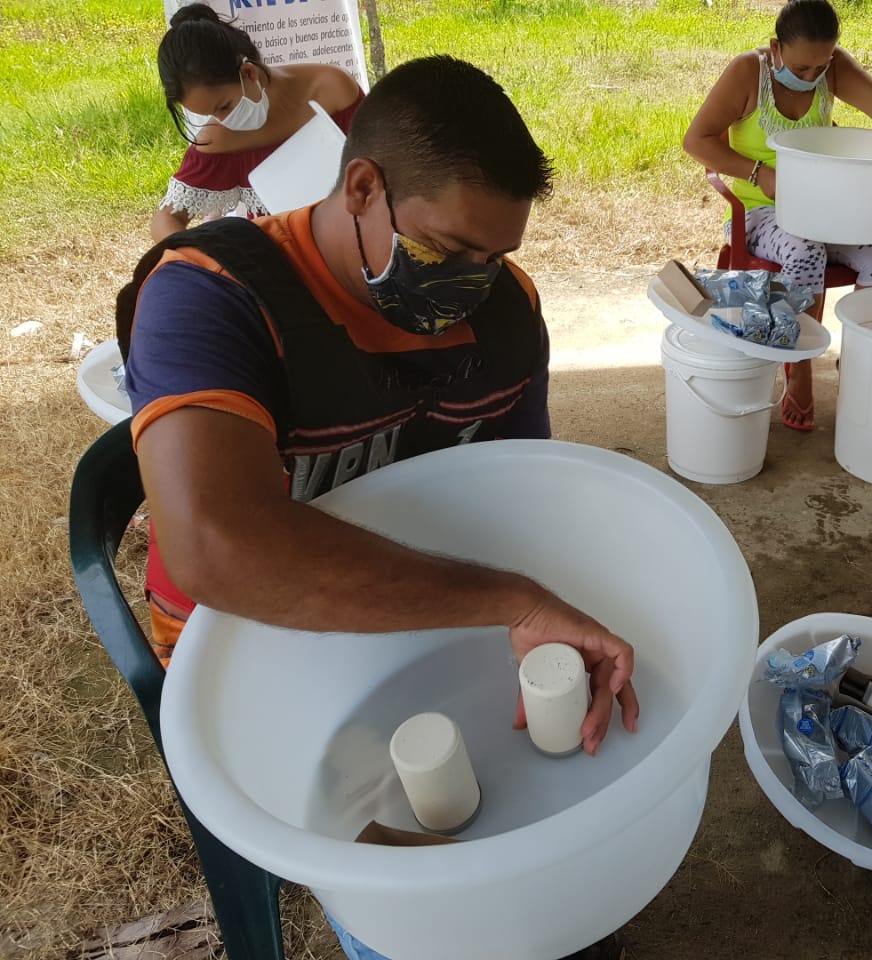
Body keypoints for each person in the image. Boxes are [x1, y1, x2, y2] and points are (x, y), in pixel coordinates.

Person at [120, 55, 637, 959]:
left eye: (496, 255)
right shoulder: (216, 294)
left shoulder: (502, 311)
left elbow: (527, 492)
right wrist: (508, 602)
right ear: (362, 186)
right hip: (245, 638)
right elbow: (215, 548)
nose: (470, 279)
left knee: (545, 832)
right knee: (420, 905)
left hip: (414, 590)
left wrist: (547, 612)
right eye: (448, 249)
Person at [683, 0, 872, 432]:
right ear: (776, 48)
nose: (811, 77)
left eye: (821, 67)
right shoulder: (747, 73)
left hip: (826, 207)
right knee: (805, 250)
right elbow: (697, 139)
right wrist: (759, 173)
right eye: (801, 67)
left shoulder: (833, 68)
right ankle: (802, 364)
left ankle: (866, 355)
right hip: (762, 214)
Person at [150, 2, 365, 240]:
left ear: (249, 73)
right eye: (212, 114)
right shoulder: (220, 140)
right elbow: (166, 219)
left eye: (224, 106)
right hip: (284, 260)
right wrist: (199, 258)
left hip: (361, 238)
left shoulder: (331, 89)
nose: (224, 120)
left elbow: (382, 160)